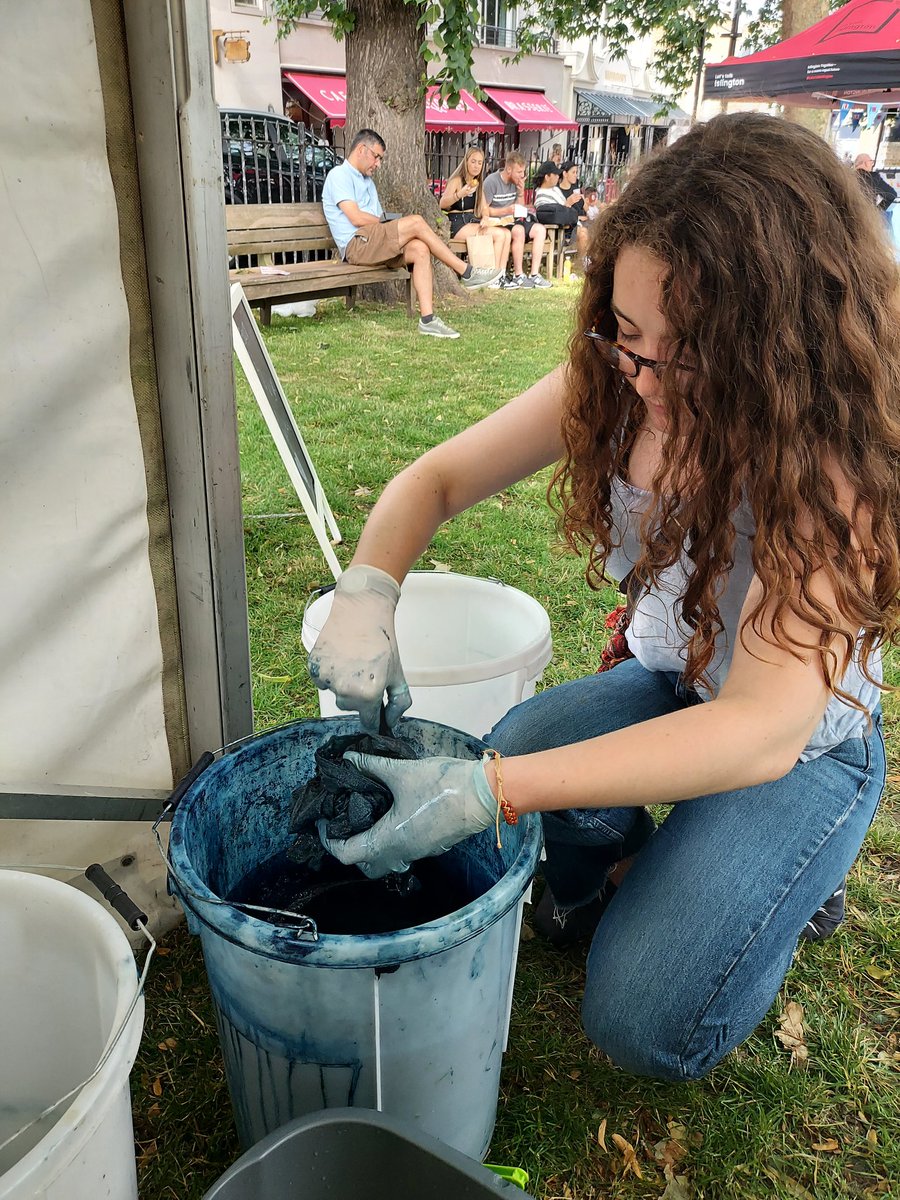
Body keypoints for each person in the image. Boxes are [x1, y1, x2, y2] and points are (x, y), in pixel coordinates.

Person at [307, 113, 899, 1082]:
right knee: (520, 748)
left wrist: (490, 791)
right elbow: (435, 482)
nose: (649, 379)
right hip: (677, 680)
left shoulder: (833, 459)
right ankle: (632, 867)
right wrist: (368, 591)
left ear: (779, 346)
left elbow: (759, 728)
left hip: (802, 746)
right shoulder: (618, 379)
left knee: (639, 1018)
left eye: (692, 351)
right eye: (628, 334)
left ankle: (792, 879)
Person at [322, 129, 502, 339]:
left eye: (380, 159)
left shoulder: (367, 182)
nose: (378, 164)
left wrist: (391, 224)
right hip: (356, 246)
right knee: (415, 221)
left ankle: (428, 320)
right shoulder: (339, 175)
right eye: (376, 157)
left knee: (420, 248)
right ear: (362, 149)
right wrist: (394, 224)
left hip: (375, 242)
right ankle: (466, 271)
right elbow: (356, 217)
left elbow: (378, 219)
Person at [439, 146, 512, 282]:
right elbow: (442, 203)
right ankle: (492, 276)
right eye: (473, 162)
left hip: (471, 220)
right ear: (466, 162)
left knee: (507, 233)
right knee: (499, 234)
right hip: (457, 222)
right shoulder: (457, 181)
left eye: (479, 163)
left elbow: (484, 207)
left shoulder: (477, 184)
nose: (476, 166)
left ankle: (500, 274)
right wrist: (459, 194)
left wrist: (485, 217)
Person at [482, 151, 552, 289]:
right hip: (498, 222)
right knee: (519, 230)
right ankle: (518, 274)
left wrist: (520, 192)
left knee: (540, 229)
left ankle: (534, 274)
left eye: (523, 171)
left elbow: (520, 209)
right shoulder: (491, 181)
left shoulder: (516, 183)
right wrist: (505, 211)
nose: (522, 175)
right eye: (519, 172)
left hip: (512, 220)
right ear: (509, 169)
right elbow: (483, 209)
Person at [532, 161, 589, 258]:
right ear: (547, 177)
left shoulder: (555, 190)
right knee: (583, 233)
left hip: (567, 225)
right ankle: (584, 261)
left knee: (588, 230)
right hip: (560, 229)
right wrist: (568, 203)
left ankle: (585, 260)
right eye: (555, 174)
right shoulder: (541, 194)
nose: (558, 177)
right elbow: (552, 215)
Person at [853, 153, 897, 230]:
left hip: (850, 220)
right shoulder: (873, 178)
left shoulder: (847, 177)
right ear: (865, 163)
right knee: (888, 213)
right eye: (871, 161)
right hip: (867, 221)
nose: (872, 164)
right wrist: (877, 210)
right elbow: (892, 194)